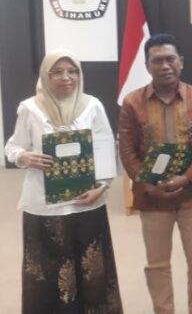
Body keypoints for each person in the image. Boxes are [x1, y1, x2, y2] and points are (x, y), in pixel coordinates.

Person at [5, 49, 123, 313]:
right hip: (44, 204)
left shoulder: (92, 106)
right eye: (56, 72)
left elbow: (106, 150)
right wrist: (24, 156)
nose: (65, 77)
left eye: (72, 71)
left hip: (86, 201)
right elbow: (12, 147)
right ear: (45, 76)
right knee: (48, 268)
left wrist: (103, 187)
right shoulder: (30, 108)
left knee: (91, 267)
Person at [118, 33, 192, 314]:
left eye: (170, 59)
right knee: (157, 265)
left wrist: (187, 177)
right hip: (152, 198)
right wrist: (147, 184)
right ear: (147, 65)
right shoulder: (132, 102)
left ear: (181, 62)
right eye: (157, 60)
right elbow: (127, 150)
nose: (165, 66)